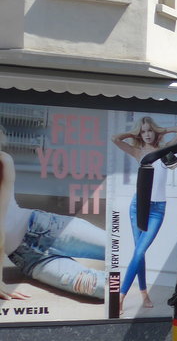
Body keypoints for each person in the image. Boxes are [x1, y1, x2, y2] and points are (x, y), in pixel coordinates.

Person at [0, 124, 107, 302]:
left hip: (47, 227)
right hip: (30, 259)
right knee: (105, 289)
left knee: (128, 252)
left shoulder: (3, 160)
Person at [112, 116, 177, 312]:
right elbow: (115, 139)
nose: (146, 134)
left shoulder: (164, 151)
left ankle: (124, 294)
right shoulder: (138, 152)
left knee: (139, 251)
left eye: (149, 130)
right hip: (138, 206)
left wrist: (163, 130)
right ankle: (134, 295)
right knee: (140, 252)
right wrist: (132, 133)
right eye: (143, 131)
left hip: (157, 209)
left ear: (155, 131)